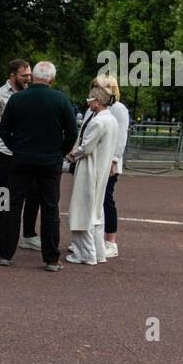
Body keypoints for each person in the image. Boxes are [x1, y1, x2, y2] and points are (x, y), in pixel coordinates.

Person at [0, 60, 76, 270]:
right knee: (50, 208)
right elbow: (72, 133)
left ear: (34, 77)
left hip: (21, 158)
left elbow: (3, 129)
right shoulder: (61, 100)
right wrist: (60, 151)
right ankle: (50, 258)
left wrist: (16, 147)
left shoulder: (17, 99)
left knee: (12, 206)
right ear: (52, 79)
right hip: (50, 161)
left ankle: (6, 253)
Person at [0, 59, 38, 250]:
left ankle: (28, 233)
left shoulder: (30, 94)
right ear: (12, 76)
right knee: (3, 192)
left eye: (29, 75)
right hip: (2, 150)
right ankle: (0, 231)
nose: (28, 79)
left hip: (24, 151)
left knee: (30, 192)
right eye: (24, 75)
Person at [65, 83, 120, 265]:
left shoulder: (98, 121)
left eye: (91, 100)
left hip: (90, 169)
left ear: (97, 102)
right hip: (101, 169)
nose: (88, 103)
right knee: (96, 212)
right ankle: (97, 252)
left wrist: (71, 155)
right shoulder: (111, 119)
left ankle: (85, 253)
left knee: (83, 211)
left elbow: (86, 147)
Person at [102, 78, 130, 258]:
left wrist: (114, 159)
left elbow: (121, 136)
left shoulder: (118, 108)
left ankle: (111, 241)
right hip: (98, 160)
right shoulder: (99, 106)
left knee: (106, 200)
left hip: (109, 161)